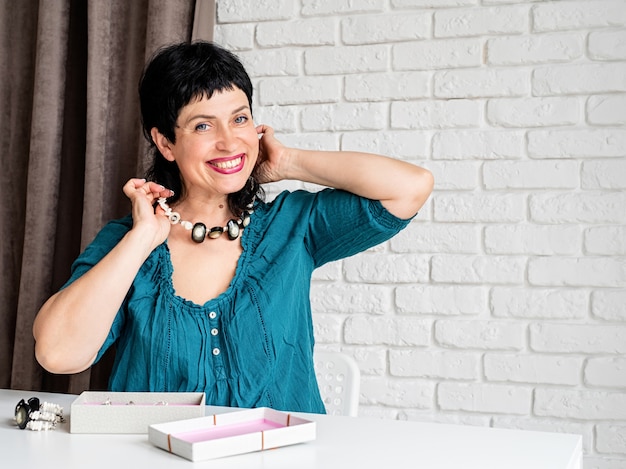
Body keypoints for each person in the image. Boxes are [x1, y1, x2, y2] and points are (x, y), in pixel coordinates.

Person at [33, 41, 434, 413]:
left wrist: (288, 163)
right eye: (203, 126)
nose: (229, 142)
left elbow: (410, 187)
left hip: (280, 457)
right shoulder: (128, 241)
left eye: (239, 119)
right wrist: (141, 239)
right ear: (166, 143)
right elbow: (58, 354)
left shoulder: (292, 226)